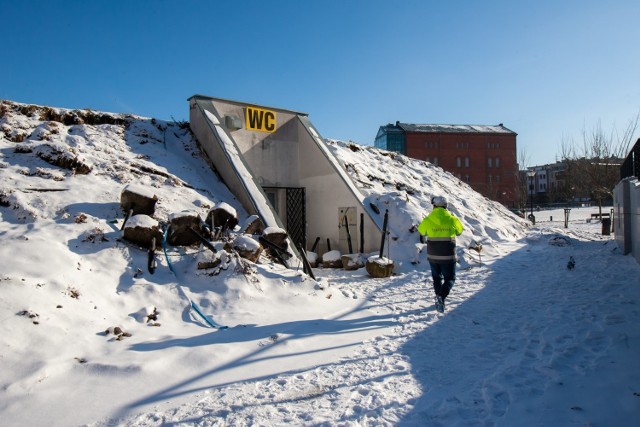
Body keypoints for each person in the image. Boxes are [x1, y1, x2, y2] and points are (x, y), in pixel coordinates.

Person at [417, 196, 464, 312]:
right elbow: (459, 231)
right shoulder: (452, 219)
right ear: (445, 206)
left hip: (433, 255)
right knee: (450, 278)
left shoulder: (428, 219)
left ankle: (439, 298)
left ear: (434, 206)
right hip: (448, 255)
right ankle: (441, 297)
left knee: (436, 278)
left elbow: (421, 231)